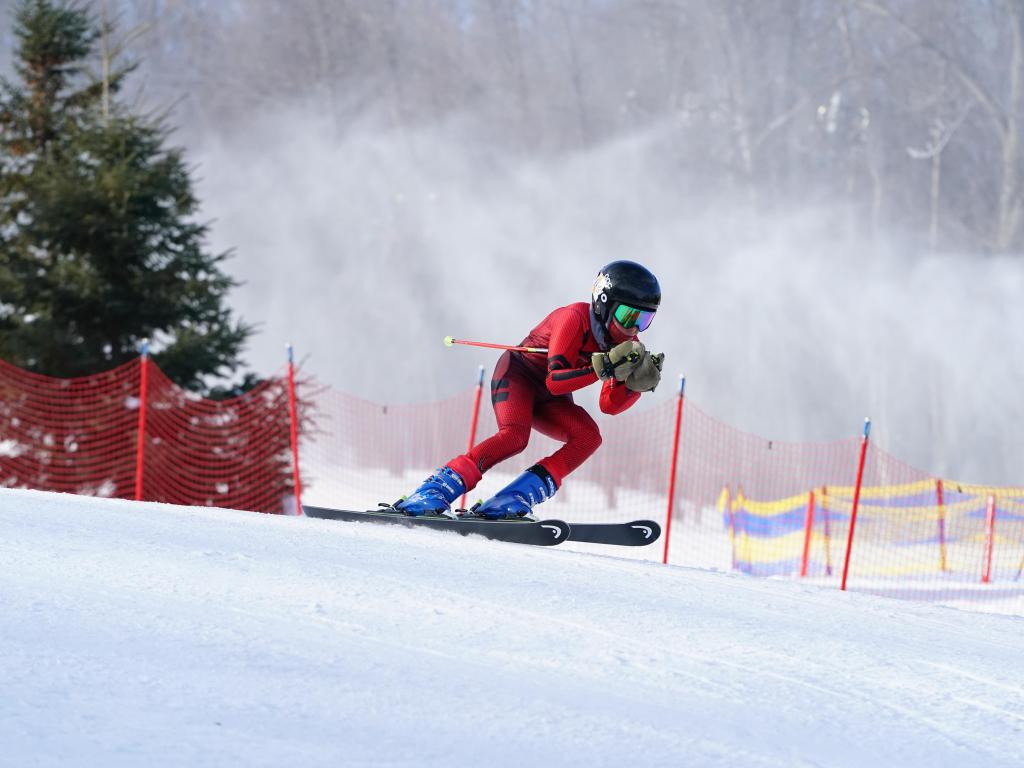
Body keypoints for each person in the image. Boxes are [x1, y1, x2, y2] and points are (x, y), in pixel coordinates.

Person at [396, 260, 663, 520]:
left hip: (551, 397)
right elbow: (555, 380)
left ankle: (513, 498)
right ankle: (432, 491)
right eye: (628, 316)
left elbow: (609, 406)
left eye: (645, 319)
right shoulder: (573, 318)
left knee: (588, 437)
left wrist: (634, 386)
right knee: (514, 437)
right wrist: (601, 368)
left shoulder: (628, 343)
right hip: (519, 376)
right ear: (604, 304)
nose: (634, 328)